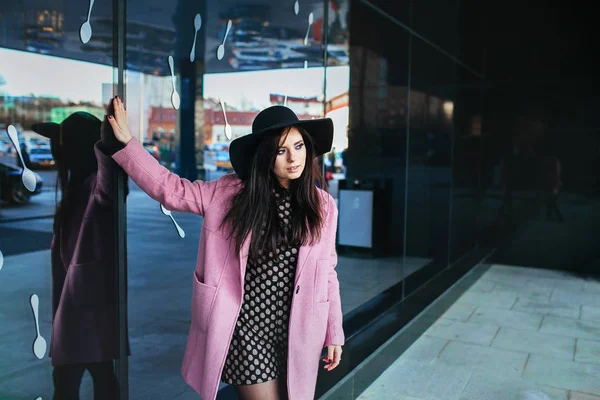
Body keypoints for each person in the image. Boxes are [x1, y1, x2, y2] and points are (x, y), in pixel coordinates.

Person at [105, 96, 344, 400]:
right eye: (281, 151)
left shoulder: (323, 205)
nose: (293, 158)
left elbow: (327, 272)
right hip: (246, 332)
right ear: (264, 156)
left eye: (298, 146)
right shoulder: (229, 194)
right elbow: (171, 189)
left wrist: (334, 331)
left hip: (297, 331)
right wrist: (129, 144)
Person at [32, 104, 127, 400]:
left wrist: (110, 144)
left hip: (85, 308)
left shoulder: (95, 188)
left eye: (59, 145)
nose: (54, 152)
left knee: (72, 380)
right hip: (78, 308)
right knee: (93, 376)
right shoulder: (78, 190)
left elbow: (112, 181)